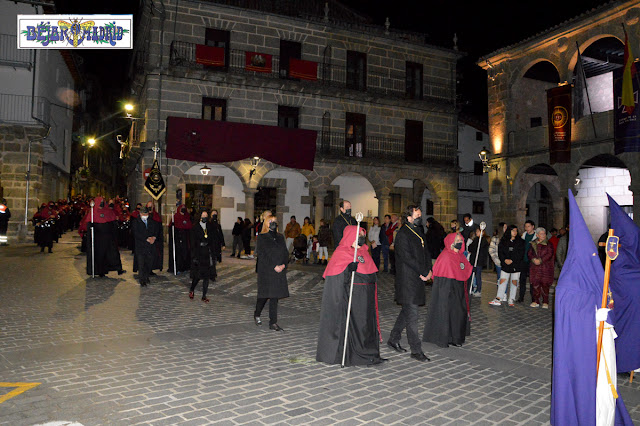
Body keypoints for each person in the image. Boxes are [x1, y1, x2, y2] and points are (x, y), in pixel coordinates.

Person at [316, 225, 385, 366]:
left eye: (362, 234)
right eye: (358, 234)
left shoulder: (364, 252)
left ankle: (369, 352)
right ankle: (353, 354)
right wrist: (348, 270)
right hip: (352, 300)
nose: (361, 237)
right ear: (351, 236)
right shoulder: (341, 253)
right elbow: (336, 280)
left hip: (366, 299)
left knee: (366, 325)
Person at [388, 205, 433, 362]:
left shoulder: (419, 231)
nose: (420, 216)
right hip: (408, 280)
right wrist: (422, 271)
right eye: (417, 214)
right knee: (412, 315)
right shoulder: (402, 234)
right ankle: (416, 350)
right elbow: (408, 258)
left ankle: (393, 339)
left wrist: (429, 269)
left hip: (419, 277)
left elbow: (426, 251)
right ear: (408, 217)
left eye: (420, 213)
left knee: (407, 311)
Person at [422, 232, 472, 348]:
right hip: (448, 289)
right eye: (457, 240)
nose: (459, 242)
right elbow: (441, 277)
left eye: (461, 240)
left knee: (459, 312)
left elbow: (465, 270)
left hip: (459, 290)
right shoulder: (445, 257)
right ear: (451, 242)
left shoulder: (461, 256)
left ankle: (456, 337)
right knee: (447, 312)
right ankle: (445, 337)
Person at [254, 213, 289, 331]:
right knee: (264, 296)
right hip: (267, 270)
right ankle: (257, 313)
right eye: (271, 221)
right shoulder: (262, 237)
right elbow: (262, 254)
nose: (273, 223)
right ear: (266, 224)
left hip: (279, 270)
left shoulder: (280, 237)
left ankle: (273, 322)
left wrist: (284, 264)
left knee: (275, 296)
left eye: (275, 221)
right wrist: (274, 266)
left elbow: (285, 252)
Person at [80, 197, 125, 277]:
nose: (101, 204)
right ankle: (99, 271)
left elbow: (113, 220)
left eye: (102, 202)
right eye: (100, 202)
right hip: (98, 240)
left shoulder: (107, 211)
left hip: (108, 238)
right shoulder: (93, 212)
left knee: (111, 254)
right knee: (99, 256)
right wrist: (91, 226)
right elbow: (87, 224)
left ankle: (116, 268)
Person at [489, 225, 525, 307]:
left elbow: (520, 253)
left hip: (516, 264)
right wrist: (504, 260)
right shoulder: (503, 241)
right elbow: (500, 252)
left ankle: (511, 298)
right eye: (513, 231)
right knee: (502, 281)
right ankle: (498, 298)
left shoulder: (520, 241)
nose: (515, 232)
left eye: (516, 231)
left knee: (514, 282)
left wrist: (512, 260)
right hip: (505, 265)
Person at [189, 210, 219, 302]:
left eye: (206, 216)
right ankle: (192, 289)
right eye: (203, 216)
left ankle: (204, 296)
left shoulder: (210, 227)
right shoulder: (195, 228)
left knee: (207, 276)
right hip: (199, 254)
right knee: (197, 276)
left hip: (207, 253)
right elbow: (192, 243)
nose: (205, 218)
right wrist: (194, 256)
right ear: (200, 217)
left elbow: (214, 239)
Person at [132, 206, 162, 286]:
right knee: (141, 263)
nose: (145, 215)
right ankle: (142, 280)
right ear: (140, 214)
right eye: (143, 213)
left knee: (149, 263)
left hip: (150, 246)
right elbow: (136, 233)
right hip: (141, 246)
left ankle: (146, 276)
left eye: (146, 213)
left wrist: (154, 238)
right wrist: (146, 238)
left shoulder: (152, 221)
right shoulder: (136, 222)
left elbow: (156, 231)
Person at [528, 227, 554, 309]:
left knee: (545, 285)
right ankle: (536, 301)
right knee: (535, 284)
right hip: (535, 268)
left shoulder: (549, 244)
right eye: (541, 234)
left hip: (545, 267)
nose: (543, 235)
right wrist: (533, 259)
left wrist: (540, 260)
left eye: (544, 233)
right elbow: (529, 253)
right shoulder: (533, 243)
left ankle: (545, 301)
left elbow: (549, 254)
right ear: (537, 235)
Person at [168, 204, 192, 274]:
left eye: (184, 208)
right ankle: (177, 267)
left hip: (186, 239)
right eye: (182, 208)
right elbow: (171, 228)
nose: (183, 209)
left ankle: (185, 267)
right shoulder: (175, 217)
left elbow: (190, 227)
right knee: (178, 254)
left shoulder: (187, 217)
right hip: (177, 239)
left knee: (185, 253)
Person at [518, 219, 537, 303]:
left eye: (528, 226)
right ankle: (521, 297)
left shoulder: (537, 237)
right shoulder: (523, 236)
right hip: (523, 261)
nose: (527, 228)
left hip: (532, 262)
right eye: (525, 226)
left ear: (533, 227)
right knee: (522, 280)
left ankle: (534, 297)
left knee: (532, 280)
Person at [467, 227, 489, 297]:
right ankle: (472, 288)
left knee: (478, 275)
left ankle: (479, 290)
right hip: (473, 260)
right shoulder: (476, 239)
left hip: (479, 261)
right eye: (476, 231)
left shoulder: (483, 240)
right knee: (471, 275)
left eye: (478, 231)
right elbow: (471, 248)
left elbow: (478, 249)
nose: (476, 233)